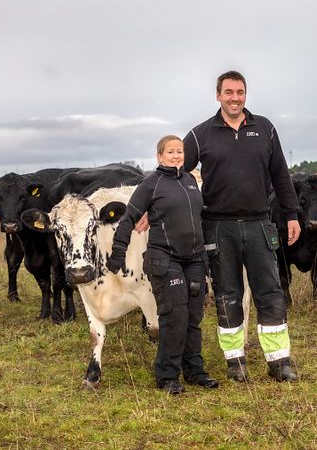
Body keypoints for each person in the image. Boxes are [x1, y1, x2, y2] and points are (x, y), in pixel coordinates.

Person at [183, 70, 301, 383]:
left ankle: (279, 361)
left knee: (270, 292)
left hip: (259, 223)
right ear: (218, 95)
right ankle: (235, 360)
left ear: (245, 95)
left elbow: (281, 175)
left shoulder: (264, 128)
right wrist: (148, 205)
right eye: (229, 92)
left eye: (240, 92)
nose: (235, 98)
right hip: (218, 227)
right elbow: (174, 172)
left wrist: (291, 214)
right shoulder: (200, 135)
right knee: (227, 294)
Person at [107, 135, 218, 395]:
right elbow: (128, 218)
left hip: (194, 259)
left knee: (194, 315)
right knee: (174, 315)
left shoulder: (191, 181)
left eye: (180, 151)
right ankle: (167, 375)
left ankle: (194, 371)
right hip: (165, 259)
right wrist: (118, 252)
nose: (177, 155)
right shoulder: (151, 184)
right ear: (159, 156)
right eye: (171, 151)